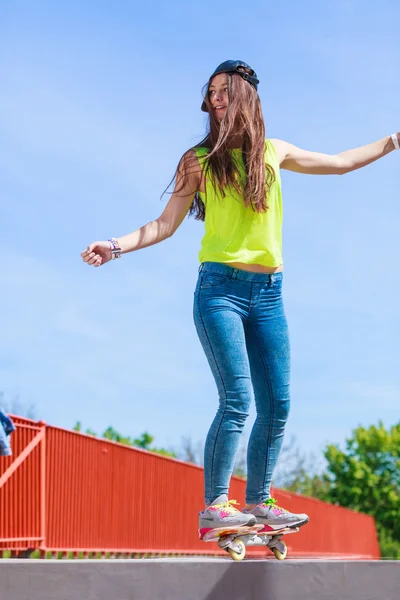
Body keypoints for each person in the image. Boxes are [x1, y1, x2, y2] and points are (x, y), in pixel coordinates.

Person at [81, 60, 399, 536]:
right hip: (219, 291)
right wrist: (116, 244)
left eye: (224, 91)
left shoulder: (274, 153)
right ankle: (215, 506)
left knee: (279, 404)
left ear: (246, 96)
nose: (215, 99)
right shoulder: (198, 159)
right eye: (210, 92)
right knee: (237, 400)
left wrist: (392, 141)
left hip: (270, 295)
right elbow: (165, 223)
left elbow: (338, 164)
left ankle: (259, 501)